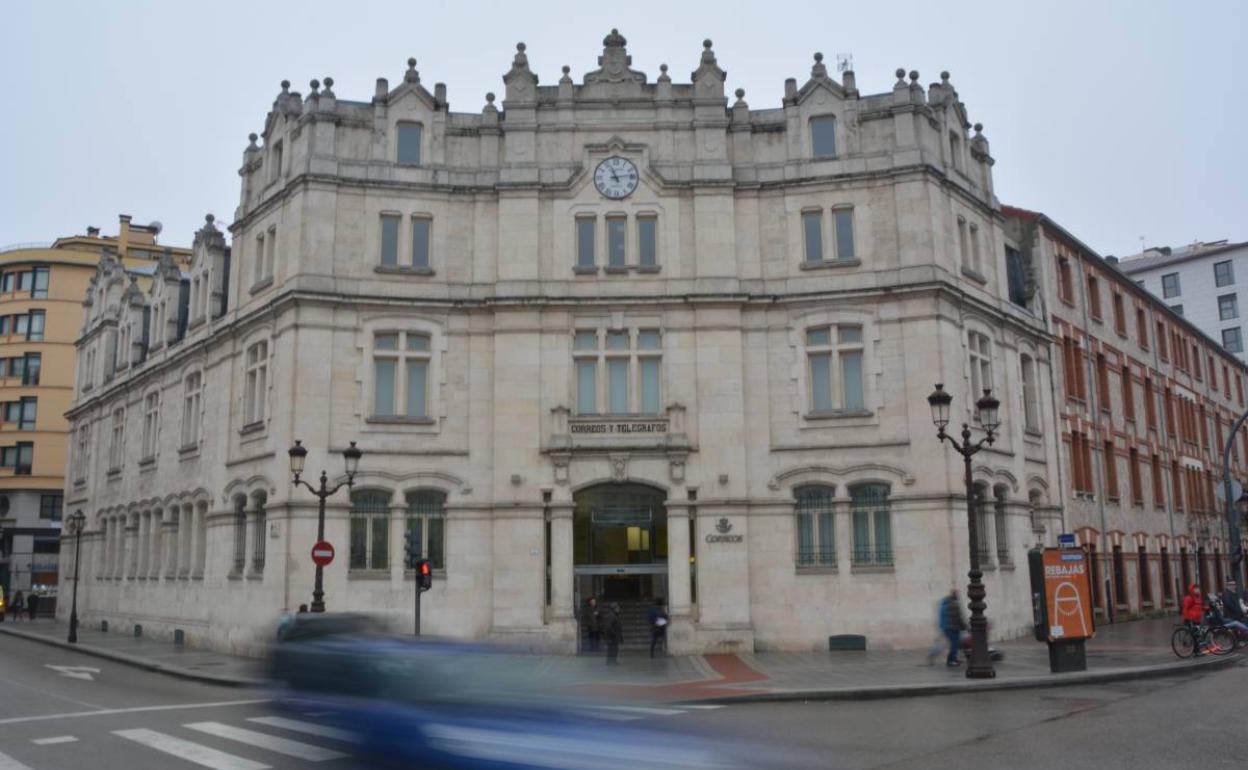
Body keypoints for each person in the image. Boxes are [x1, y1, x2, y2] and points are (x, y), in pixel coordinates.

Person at [937, 588, 966, 668]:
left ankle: (953, 659)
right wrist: (965, 627)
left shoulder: (946, 602)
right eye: (957, 594)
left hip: (948, 627)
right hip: (953, 627)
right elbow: (958, 617)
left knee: (955, 644)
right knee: (955, 645)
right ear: (955, 595)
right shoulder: (954, 604)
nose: (958, 595)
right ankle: (951, 661)